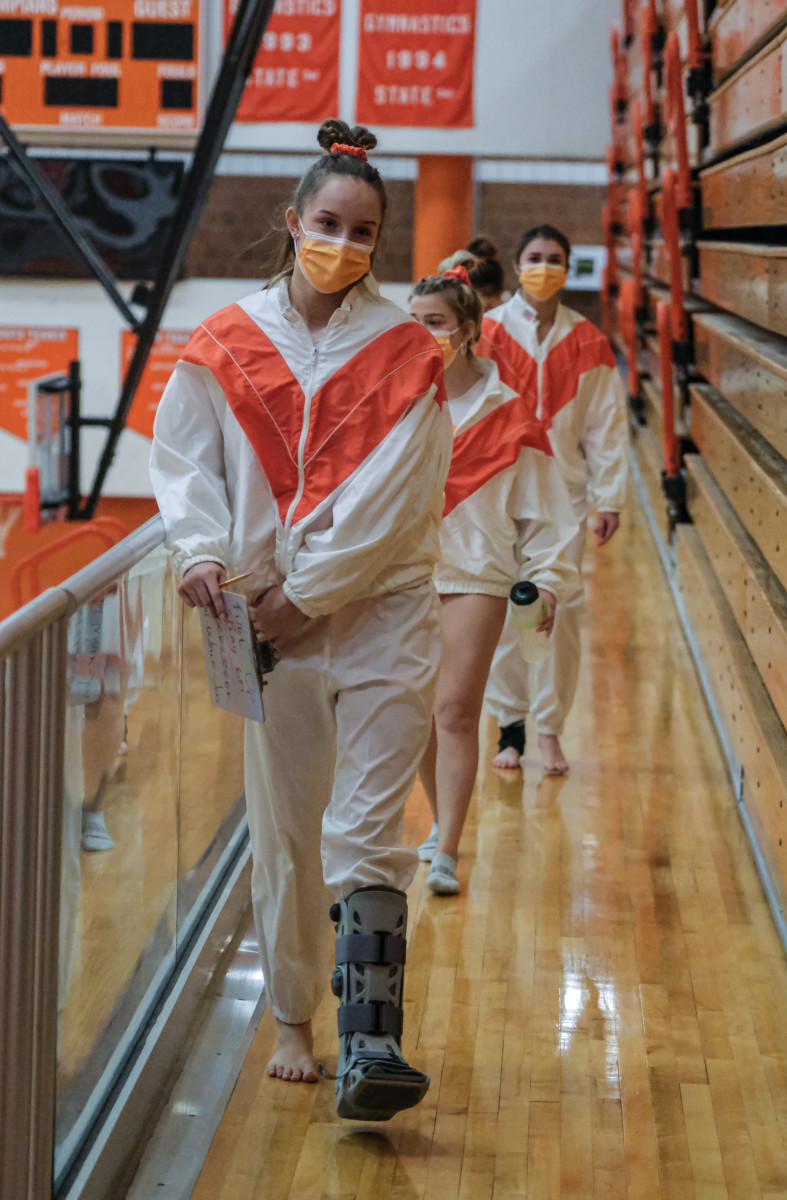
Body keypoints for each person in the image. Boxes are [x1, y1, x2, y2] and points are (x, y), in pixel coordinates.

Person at [150, 119, 453, 1122]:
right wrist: (198, 550)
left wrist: (303, 596)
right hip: (263, 632)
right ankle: (291, 1020)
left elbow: (394, 507)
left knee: (364, 825)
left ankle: (372, 1047)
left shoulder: (407, 352)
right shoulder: (223, 340)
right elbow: (184, 459)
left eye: (364, 232)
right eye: (329, 222)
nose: (345, 244)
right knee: (284, 830)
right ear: (291, 221)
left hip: (380, 618)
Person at [408, 262, 579, 896]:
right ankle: (436, 820)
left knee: (455, 710)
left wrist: (549, 579)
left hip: (478, 573)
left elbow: (547, 514)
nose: (423, 334)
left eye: (436, 323)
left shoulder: (510, 415)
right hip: (404, 574)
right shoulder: (397, 402)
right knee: (420, 713)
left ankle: (449, 846)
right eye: (413, 323)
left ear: (470, 330)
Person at [476, 223, 629, 775]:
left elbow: (606, 426)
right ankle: (509, 729)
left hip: (564, 495)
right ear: (518, 267)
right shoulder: (485, 331)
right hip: (498, 491)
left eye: (555, 258)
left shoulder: (589, 341)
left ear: (568, 268)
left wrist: (610, 496)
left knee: (555, 614)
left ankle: (550, 730)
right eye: (535, 257)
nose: (545, 266)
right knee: (502, 609)